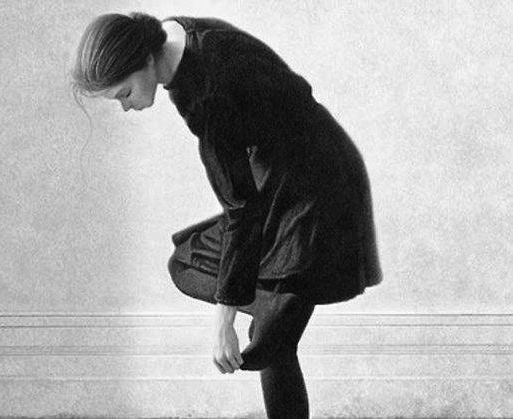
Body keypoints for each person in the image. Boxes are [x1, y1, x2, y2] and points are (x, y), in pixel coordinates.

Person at [72, 12, 382, 419]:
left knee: (273, 347)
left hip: (317, 193)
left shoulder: (208, 95)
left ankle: (275, 313)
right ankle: (273, 308)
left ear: (146, 60)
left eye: (123, 94)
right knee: (187, 262)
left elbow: (241, 209)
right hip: (283, 180)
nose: (126, 107)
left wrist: (224, 320)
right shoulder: (178, 34)